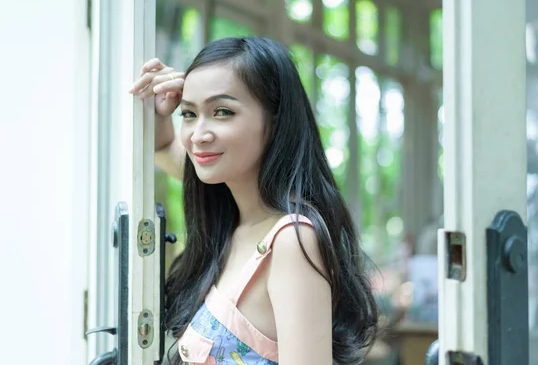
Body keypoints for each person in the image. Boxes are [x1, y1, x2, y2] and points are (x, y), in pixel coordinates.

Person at [129, 36, 378, 365]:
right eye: (189, 114)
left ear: (274, 122)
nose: (198, 134)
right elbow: (164, 149)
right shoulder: (231, 206)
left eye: (222, 112)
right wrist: (162, 107)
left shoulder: (291, 240)